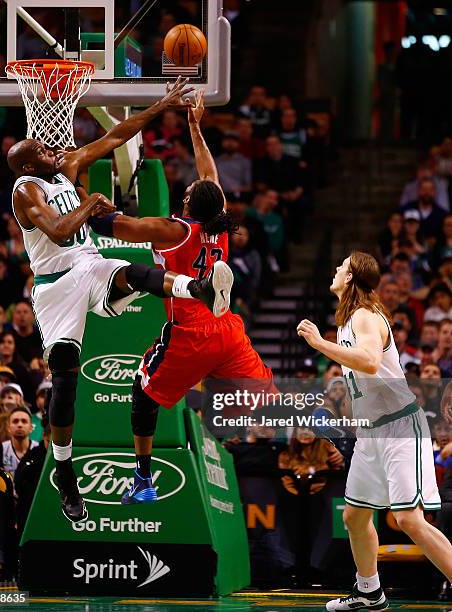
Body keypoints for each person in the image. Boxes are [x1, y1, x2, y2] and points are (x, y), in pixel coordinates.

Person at [8, 77, 233, 523]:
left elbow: (116, 136)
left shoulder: (67, 165)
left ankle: (200, 289)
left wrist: (162, 104)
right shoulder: (26, 191)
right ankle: (66, 471)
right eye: (43, 151)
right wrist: (91, 203)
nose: (54, 150)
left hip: (88, 264)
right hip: (55, 287)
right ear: (29, 165)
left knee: (131, 273)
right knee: (66, 380)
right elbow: (58, 231)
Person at [87, 90, 275, 505]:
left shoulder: (177, 229)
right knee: (268, 401)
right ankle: (321, 422)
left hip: (190, 329)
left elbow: (119, 229)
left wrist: (89, 210)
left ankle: (144, 479)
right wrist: (194, 124)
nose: (189, 187)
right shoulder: (219, 221)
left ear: (187, 203)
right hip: (227, 328)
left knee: (143, 391)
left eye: (188, 190)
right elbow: (209, 175)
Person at [297, 251, 451, 611]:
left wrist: (319, 344)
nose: (335, 269)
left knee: (408, 519)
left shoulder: (365, 317)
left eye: (341, 267)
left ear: (350, 278)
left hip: (399, 426)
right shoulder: (347, 321)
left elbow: (369, 361)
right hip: (371, 434)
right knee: (354, 515)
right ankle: (369, 591)